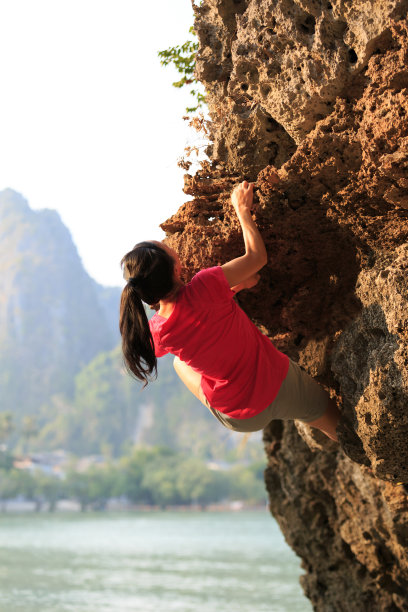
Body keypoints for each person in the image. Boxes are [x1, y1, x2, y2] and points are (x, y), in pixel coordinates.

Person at [119, 180, 341, 442]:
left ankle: (213, 395)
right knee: (339, 428)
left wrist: (231, 291)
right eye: (169, 249)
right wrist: (242, 210)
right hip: (279, 384)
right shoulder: (206, 284)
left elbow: (185, 325)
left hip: (238, 415)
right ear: (176, 269)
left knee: (180, 363)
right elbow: (257, 258)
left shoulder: (159, 331)